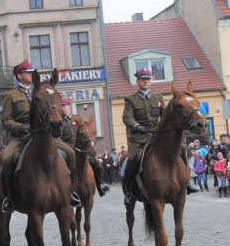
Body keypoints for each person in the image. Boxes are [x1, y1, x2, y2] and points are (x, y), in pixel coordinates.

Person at [0, 61, 80, 213]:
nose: (31, 74)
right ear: (19, 75)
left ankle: (71, 192)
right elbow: (6, 120)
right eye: (27, 72)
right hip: (21, 136)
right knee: (6, 159)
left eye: (32, 72)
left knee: (70, 153)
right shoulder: (11, 95)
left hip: (45, 134)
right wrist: (21, 127)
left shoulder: (43, 90)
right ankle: (8, 198)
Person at [122, 68, 198, 206]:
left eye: (148, 79)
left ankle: (187, 182)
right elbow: (127, 117)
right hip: (139, 137)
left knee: (181, 149)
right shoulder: (130, 100)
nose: (145, 81)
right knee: (131, 159)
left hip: (157, 135)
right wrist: (137, 126)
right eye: (142, 79)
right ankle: (129, 191)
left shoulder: (158, 97)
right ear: (137, 81)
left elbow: (165, 116)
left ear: (151, 81)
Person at [59, 97, 109, 196]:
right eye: (61, 106)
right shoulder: (59, 120)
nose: (62, 108)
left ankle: (101, 185)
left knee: (96, 162)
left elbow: (86, 131)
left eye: (64, 106)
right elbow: (57, 136)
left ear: (69, 106)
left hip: (81, 148)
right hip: (66, 148)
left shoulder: (78, 118)